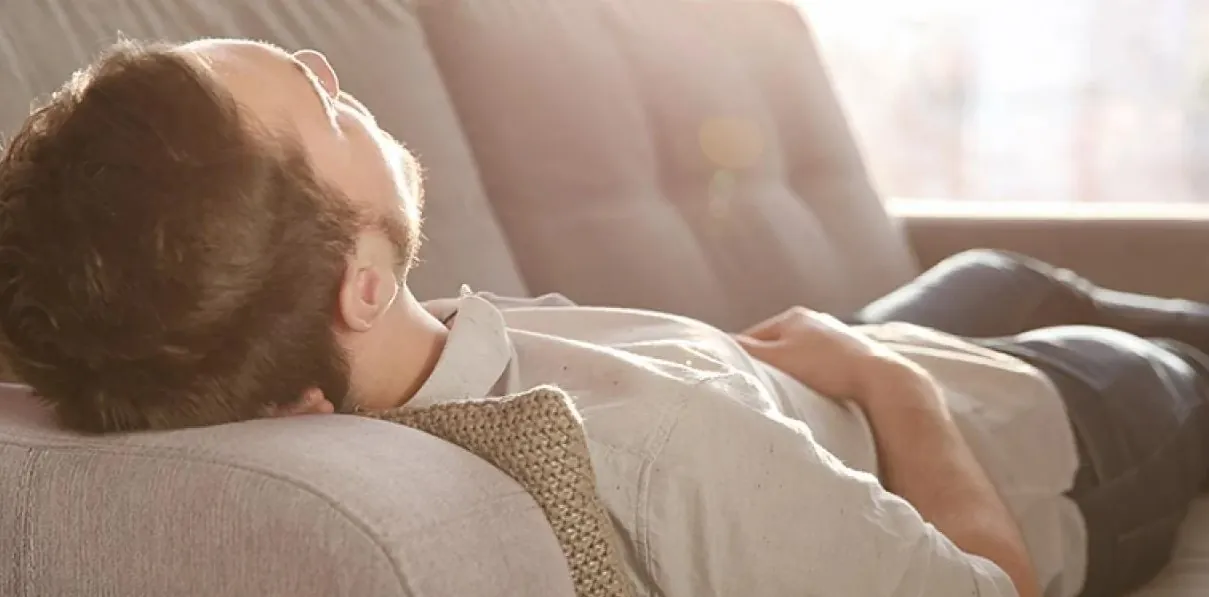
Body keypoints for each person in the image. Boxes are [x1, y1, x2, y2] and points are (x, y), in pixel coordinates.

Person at [1, 38, 1207, 597]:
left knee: (998, 261)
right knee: (1166, 349)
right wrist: (896, 391)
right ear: (359, 288)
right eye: (323, 105)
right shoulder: (657, 451)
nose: (327, 61)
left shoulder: (382, 355)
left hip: (861, 346)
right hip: (1055, 434)